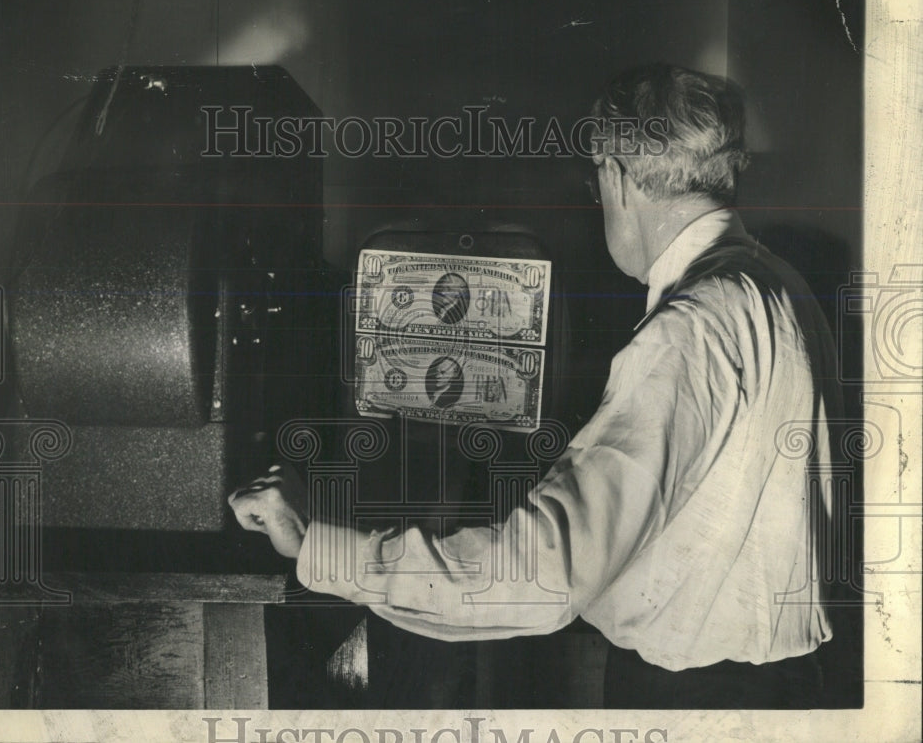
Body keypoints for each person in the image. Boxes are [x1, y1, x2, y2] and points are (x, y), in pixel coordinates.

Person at [229, 64, 841, 709]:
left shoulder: (686, 330)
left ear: (616, 172)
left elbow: (544, 576)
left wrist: (315, 544)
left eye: (595, 181)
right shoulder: (777, 285)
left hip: (698, 695)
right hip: (781, 683)